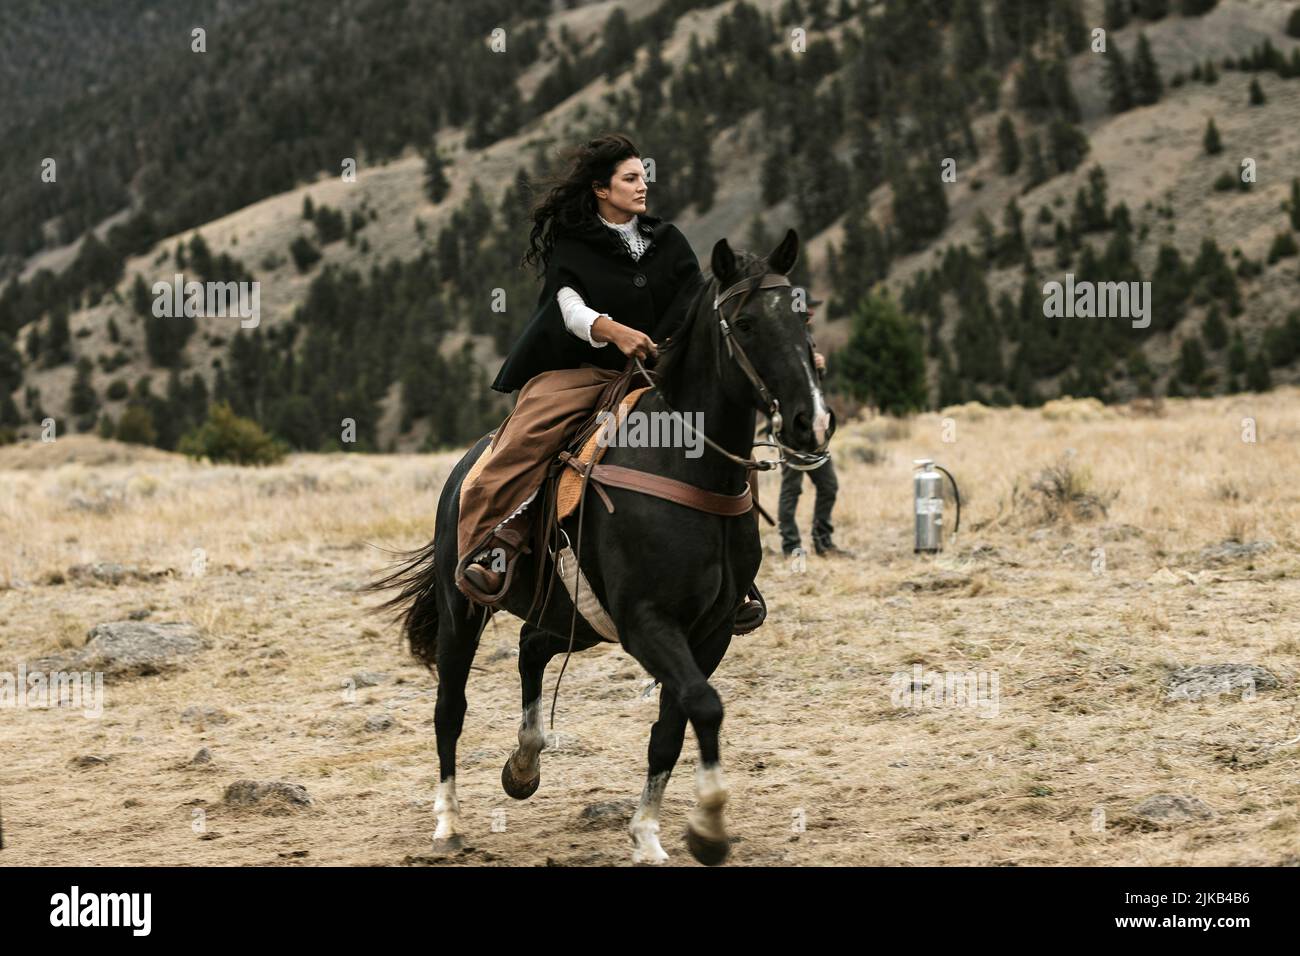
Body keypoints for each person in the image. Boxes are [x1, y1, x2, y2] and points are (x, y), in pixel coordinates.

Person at [456, 133, 767, 633]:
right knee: (530, 437)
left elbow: (695, 305)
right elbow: (568, 307)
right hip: (585, 372)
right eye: (631, 178)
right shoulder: (573, 244)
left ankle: (736, 573)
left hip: (660, 372)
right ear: (601, 189)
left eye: (644, 177)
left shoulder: (668, 240)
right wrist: (611, 330)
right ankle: (498, 543)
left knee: (727, 442)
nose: (643, 186)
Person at [774, 295, 853, 559]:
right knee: (792, 488)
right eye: (807, 308)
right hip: (793, 428)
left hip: (814, 427)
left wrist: (820, 368)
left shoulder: (805, 337)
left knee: (828, 485)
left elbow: (810, 385)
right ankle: (791, 547)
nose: (812, 312)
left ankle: (823, 543)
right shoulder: (784, 341)